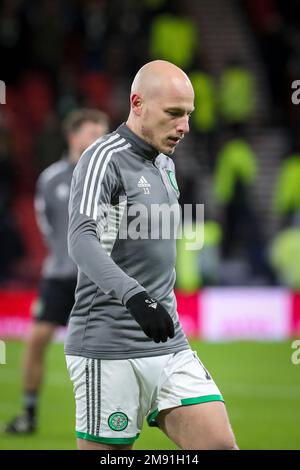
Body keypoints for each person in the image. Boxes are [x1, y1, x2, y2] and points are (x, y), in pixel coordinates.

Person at [65, 60, 238, 450]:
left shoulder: (166, 165)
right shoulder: (103, 157)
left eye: (189, 115)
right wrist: (134, 295)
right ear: (137, 103)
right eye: (174, 114)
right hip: (107, 347)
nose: (184, 127)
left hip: (168, 341)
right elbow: (81, 238)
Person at [5, 109, 109, 434]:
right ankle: (29, 414)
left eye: (102, 135)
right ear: (73, 137)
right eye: (93, 133)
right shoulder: (51, 179)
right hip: (61, 275)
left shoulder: (111, 177)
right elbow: (45, 224)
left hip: (98, 278)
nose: (99, 141)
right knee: (36, 340)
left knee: (109, 350)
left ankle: (112, 418)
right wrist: (65, 255)